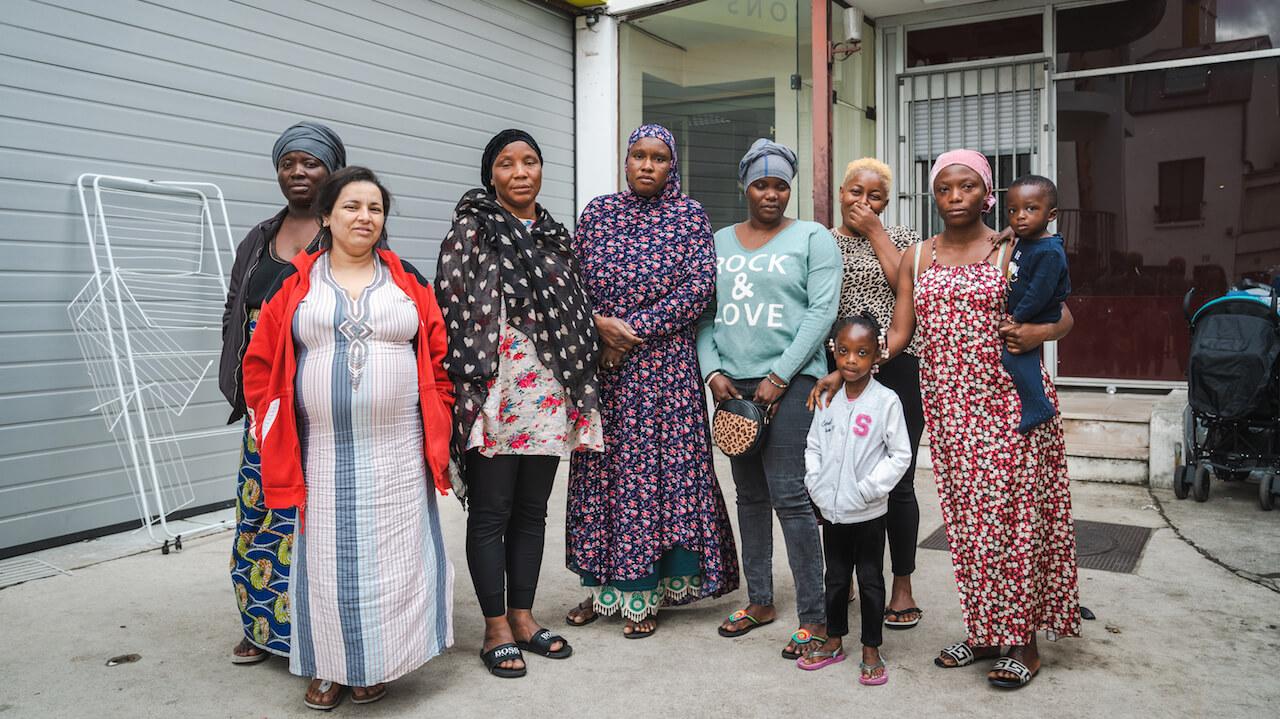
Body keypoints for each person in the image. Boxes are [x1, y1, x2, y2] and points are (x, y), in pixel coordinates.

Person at [813, 149, 1080, 689]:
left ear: (987, 193)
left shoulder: (1012, 249)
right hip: (951, 413)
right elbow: (897, 338)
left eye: (967, 188)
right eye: (944, 189)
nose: (955, 198)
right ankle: (984, 633)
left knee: (1015, 523)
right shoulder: (918, 257)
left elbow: (1064, 315)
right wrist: (845, 372)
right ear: (933, 196)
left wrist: (1039, 334)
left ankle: (1022, 642)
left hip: (1011, 406)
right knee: (969, 527)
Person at [242, 167, 455, 710]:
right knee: (324, 560)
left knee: (395, 555)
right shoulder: (295, 283)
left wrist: (442, 415)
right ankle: (328, 666)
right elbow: (261, 359)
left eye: (375, 209)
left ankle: (378, 663)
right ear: (328, 216)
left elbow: (437, 354)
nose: (365, 217)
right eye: (353, 207)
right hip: (322, 452)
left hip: (399, 450)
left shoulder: (407, 281)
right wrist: (265, 419)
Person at [435, 129, 603, 678]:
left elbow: (575, 311)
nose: (521, 172)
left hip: (550, 391)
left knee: (533, 511)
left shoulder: (555, 235)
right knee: (491, 512)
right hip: (496, 391)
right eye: (507, 163)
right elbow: (452, 311)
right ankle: (494, 627)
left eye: (530, 161)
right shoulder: (470, 231)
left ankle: (524, 616)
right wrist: (468, 393)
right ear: (491, 175)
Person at [565, 123, 739, 638]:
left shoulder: (689, 215)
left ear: (672, 166)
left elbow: (698, 290)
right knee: (602, 475)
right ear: (626, 161)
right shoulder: (598, 213)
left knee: (658, 477)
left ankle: (648, 591)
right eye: (638, 155)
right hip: (605, 372)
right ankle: (602, 588)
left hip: (664, 371)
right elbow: (572, 283)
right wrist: (600, 329)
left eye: (658, 158)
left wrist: (629, 332)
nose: (646, 165)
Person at [700, 138, 841, 660]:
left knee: (791, 497)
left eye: (781, 185)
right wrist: (712, 372)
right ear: (745, 187)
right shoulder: (716, 241)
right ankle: (759, 600)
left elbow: (821, 311)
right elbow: (705, 316)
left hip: (793, 382)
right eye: (761, 184)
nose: (772, 194)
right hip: (733, 390)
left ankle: (814, 616)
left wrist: (781, 377)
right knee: (749, 496)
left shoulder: (812, 238)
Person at [218, 121, 345, 665]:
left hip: (317, 398)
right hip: (263, 402)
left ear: (332, 170)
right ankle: (259, 624)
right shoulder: (259, 237)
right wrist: (239, 381)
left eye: (311, 163)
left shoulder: (346, 229)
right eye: (288, 162)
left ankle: (314, 632)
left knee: (312, 515)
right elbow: (233, 309)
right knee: (260, 507)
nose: (298, 172)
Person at [828, 157, 926, 629]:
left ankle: (901, 585)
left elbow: (907, 288)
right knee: (840, 469)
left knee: (898, 477)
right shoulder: (821, 241)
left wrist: (875, 233)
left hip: (898, 366)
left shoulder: (905, 239)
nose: (863, 203)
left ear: (887, 203)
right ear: (840, 192)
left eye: (875, 197)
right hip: (841, 369)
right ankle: (844, 573)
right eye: (855, 193)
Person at [797, 314, 910, 685]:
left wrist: (868, 490)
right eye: (843, 351)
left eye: (861, 353)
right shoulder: (828, 398)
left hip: (868, 513)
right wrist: (815, 483)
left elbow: (900, 456)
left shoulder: (886, 402)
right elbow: (814, 445)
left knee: (871, 580)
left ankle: (871, 648)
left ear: (876, 354)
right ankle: (833, 640)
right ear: (834, 351)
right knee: (836, 579)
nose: (850, 360)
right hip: (832, 511)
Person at [1002, 175, 1071, 434]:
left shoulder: (1049, 251)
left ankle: (1037, 405)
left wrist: (1017, 318)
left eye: (1031, 209)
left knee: (1016, 356)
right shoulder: (1027, 239)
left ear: (1051, 214)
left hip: (1039, 311)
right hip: (1027, 310)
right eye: (1013, 210)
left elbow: (1039, 293)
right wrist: (1009, 231)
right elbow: (1018, 228)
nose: (1020, 216)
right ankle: (1034, 403)